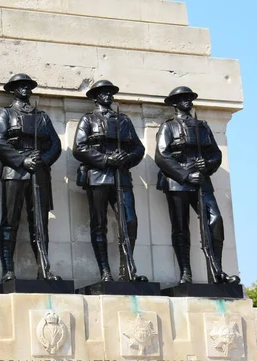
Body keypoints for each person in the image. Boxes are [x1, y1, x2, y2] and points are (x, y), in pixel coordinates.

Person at [155, 86, 239, 284]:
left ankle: (217, 270)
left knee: (215, 220)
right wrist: (185, 175)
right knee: (181, 227)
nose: (187, 101)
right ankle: (186, 273)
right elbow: (162, 156)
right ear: (174, 103)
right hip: (177, 182)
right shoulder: (168, 127)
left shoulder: (202, 126)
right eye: (182, 98)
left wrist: (207, 164)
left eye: (189, 98)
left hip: (202, 181)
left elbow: (216, 154)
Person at [73, 80, 147, 282]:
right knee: (99, 224)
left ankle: (127, 269)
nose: (107, 95)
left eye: (109, 92)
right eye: (103, 92)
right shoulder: (88, 120)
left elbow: (138, 149)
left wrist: (127, 158)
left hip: (121, 177)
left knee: (130, 221)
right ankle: (105, 271)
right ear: (95, 97)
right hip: (97, 177)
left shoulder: (123, 120)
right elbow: (79, 148)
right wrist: (106, 159)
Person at [0, 73, 62, 282]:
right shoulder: (6, 114)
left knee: (39, 222)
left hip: (38, 172)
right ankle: (8, 270)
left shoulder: (41, 116)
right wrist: (22, 161)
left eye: (27, 86)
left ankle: (43, 269)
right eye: (20, 86)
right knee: (10, 220)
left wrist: (44, 160)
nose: (25, 89)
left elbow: (55, 144)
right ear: (12, 90)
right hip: (14, 170)